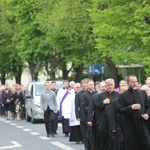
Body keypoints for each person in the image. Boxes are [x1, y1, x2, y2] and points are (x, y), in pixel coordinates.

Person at [118, 75, 150, 150]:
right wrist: (131, 107)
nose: (135, 83)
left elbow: (148, 106)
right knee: (132, 146)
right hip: (130, 126)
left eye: (136, 81)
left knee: (146, 144)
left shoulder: (142, 93)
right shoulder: (123, 96)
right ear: (128, 83)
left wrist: (147, 114)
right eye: (132, 82)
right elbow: (120, 110)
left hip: (142, 125)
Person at [88, 78, 119, 150]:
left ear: (114, 85)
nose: (110, 86)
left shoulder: (118, 95)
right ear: (106, 86)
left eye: (112, 85)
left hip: (115, 121)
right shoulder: (100, 95)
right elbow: (96, 106)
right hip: (103, 120)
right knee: (103, 138)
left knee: (114, 139)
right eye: (108, 85)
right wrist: (103, 103)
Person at [81, 79, 97, 150]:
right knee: (89, 132)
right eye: (90, 85)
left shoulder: (97, 94)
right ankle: (89, 146)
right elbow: (83, 106)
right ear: (87, 86)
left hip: (96, 116)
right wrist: (90, 110)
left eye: (92, 85)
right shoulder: (84, 95)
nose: (91, 86)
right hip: (87, 116)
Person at [75, 78, 88, 149]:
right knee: (84, 132)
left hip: (90, 115)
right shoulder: (78, 94)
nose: (85, 87)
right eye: (83, 86)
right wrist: (77, 116)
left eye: (86, 86)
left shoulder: (91, 93)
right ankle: (86, 145)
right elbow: (76, 106)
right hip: (82, 115)